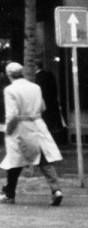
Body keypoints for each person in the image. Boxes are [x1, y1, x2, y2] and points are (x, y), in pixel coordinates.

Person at [3, 62, 65, 206]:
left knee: (15, 160)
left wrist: (8, 131)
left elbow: (12, 115)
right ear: (22, 72)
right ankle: (56, 190)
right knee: (44, 159)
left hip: (20, 127)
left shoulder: (10, 90)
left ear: (9, 75)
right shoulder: (35, 87)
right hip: (37, 124)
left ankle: (9, 193)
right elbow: (43, 106)